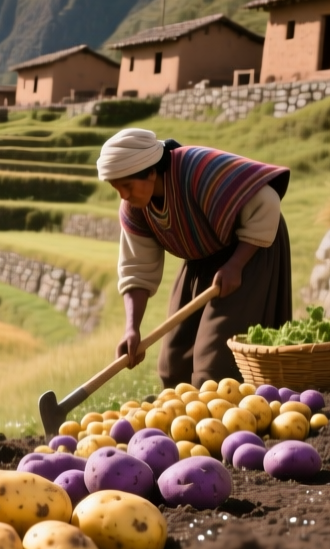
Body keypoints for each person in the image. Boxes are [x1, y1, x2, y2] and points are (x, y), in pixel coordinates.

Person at [99, 127, 292, 387]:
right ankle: (183, 422)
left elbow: (266, 201)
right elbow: (138, 269)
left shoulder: (199, 171)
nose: (123, 196)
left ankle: (229, 421)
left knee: (214, 366)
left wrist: (235, 265)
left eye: (127, 186)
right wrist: (132, 328)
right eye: (116, 188)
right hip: (201, 259)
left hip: (249, 248)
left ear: (151, 172)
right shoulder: (135, 209)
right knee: (173, 365)